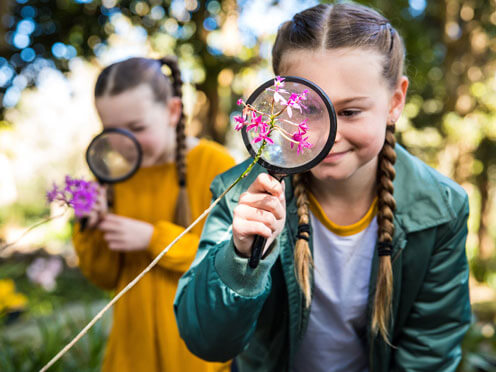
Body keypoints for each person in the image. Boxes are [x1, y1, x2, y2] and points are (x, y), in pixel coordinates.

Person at [174, 3, 471, 372]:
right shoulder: (240, 197)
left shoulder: (442, 207)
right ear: (278, 103)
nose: (326, 136)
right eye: (306, 110)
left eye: (349, 112)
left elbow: (430, 351)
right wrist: (239, 260)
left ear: (395, 102)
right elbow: (207, 341)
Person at [73, 56, 234, 372]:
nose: (124, 142)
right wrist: (88, 228)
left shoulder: (217, 166)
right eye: (111, 130)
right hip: (131, 356)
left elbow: (229, 268)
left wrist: (152, 237)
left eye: (136, 128)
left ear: (173, 111)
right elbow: (103, 276)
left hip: (196, 359)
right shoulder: (111, 176)